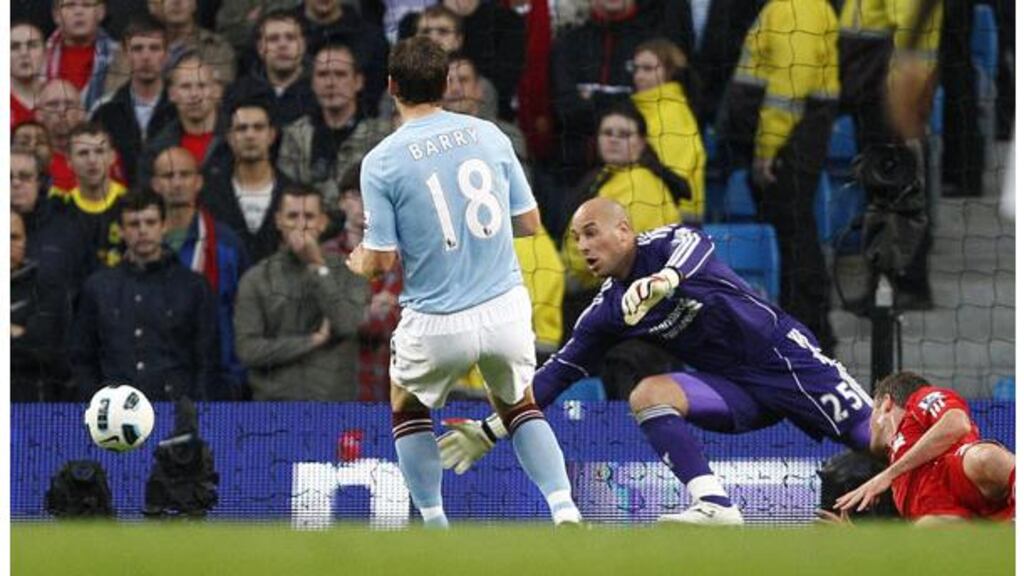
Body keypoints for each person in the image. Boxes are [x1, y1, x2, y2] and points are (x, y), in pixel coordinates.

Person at [438, 197, 874, 525]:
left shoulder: (668, 243)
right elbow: (555, 376)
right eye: (576, 239)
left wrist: (665, 280)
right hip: (733, 390)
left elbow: (698, 247)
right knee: (648, 394)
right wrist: (490, 430)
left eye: (591, 232)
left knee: (877, 440)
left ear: (624, 230)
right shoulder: (605, 312)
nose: (582, 247)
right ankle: (715, 505)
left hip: (785, 360)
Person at [345, 36, 582, 528]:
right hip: (505, 309)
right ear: (447, 83)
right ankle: (564, 509)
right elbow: (530, 223)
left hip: (436, 320)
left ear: (391, 86)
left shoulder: (381, 161)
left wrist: (358, 261)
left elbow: (381, 261)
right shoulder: (490, 135)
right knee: (519, 406)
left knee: (407, 404)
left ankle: (434, 521)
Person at [718, 0, 839, 353]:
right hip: (794, 137)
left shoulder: (796, 9)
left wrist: (768, 148)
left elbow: (788, 88)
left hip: (789, 140)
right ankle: (809, 333)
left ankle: (808, 335)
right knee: (794, 232)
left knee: (793, 235)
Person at [71, 188, 219, 401]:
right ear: (121, 231)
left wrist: (198, 411)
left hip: (178, 409)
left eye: (150, 223)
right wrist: (97, 403)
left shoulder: (193, 287)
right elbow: (82, 358)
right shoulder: (98, 288)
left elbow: (207, 359)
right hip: (115, 412)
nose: (142, 231)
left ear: (164, 226)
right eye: (133, 224)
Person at [234, 185, 368, 401]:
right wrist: (312, 341)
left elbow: (349, 324)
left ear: (323, 222)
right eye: (292, 216)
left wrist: (318, 267)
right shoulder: (256, 279)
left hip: (335, 407)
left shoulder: (351, 270)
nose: (301, 225)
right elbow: (248, 351)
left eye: (309, 216)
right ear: (278, 220)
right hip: (275, 409)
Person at [833, 371, 1015, 523]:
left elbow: (957, 424)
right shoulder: (898, 481)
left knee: (984, 458)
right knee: (927, 530)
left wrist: (888, 475)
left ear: (887, 404)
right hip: (951, 515)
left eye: (873, 410)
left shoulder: (917, 401)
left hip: (962, 475)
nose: (869, 425)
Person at [151, 146, 251, 400]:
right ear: (155, 184)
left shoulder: (226, 243)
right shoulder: (142, 245)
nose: (177, 183)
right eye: (168, 176)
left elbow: (243, 311)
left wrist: (237, 375)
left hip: (218, 376)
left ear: (198, 182)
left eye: (185, 175)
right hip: (156, 377)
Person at [276, 41, 391, 209]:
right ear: (312, 83)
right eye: (322, 74)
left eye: (340, 74)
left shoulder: (382, 136)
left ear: (358, 81)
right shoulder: (296, 135)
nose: (330, 83)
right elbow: (288, 192)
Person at [322, 163, 402, 402]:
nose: (364, 204)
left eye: (372, 195)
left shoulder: (404, 257)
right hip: (338, 386)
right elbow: (327, 324)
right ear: (341, 202)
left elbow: (399, 324)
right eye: (356, 195)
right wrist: (376, 310)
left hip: (392, 386)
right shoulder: (326, 256)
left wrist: (355, 312)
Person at [91, 14, 178, 189]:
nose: (146, 57)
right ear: (125, 53)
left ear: (167, 54)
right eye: (137, 49)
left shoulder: (181, 108)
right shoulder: (105, 110)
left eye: (154, 48)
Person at [201, 97, 292, 264]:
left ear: (271, 135)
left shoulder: (292, 192)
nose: (250, 135)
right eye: (241, 128)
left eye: (258, 128)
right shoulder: (208, 193)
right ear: (229, 137)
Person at [630, 37, 705, 224]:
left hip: (673, 220)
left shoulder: (672, 114)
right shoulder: (645, 109)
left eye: (648, 69)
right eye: (636, 68)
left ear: (669, 72)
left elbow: (671, 174)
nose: (638, 76)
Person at [11, 211, 74, 402]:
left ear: (26, 241)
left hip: (33, 409)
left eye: (14, 237)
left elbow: (45, 350)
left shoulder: (47, 287)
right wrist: (19, 332)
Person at [223, 11, 315, 129]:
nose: (282, 45)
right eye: (273, 39)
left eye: (290, 38)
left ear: (302, 45)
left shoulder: (322, 90)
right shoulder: (237, 94)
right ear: (260, 48)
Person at [46, 0, 120, 111]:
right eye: (70, 5)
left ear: (101, 12)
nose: (79, 11)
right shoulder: (38, 57)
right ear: (56, 15)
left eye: (86, 5)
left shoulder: (122, 57)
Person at [12, 21, 47, 128]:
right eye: (14, 47)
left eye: (32, 46)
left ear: (45, 52)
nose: (24, 53)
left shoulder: (59, 96)